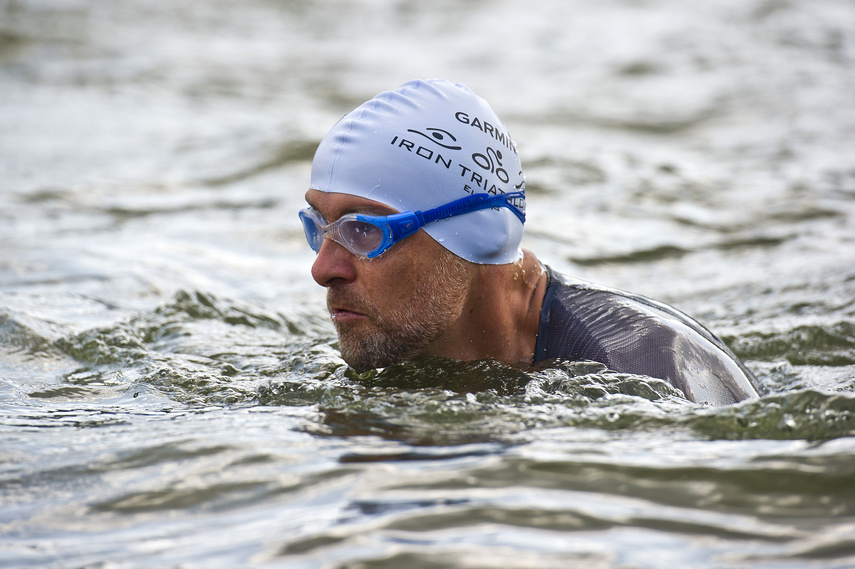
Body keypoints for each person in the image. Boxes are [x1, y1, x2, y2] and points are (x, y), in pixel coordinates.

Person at [300, 79, 761, 405]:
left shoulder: (643, 375)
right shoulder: (401, 340)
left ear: (471, 234)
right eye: (318, 225)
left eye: (364, 230)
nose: (323, 268)